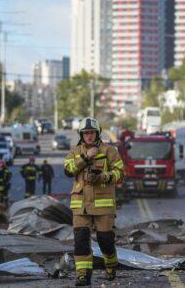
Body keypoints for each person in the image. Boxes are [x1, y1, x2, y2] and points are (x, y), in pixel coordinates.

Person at [64, 117, 124, 286]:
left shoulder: (109, 151)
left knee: (105, 241)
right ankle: (83, 276)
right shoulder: (74, 152)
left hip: (103, 206)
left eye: (92, 133)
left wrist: (102, 176)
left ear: (97, 134)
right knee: (81, 241)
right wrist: (84, 157)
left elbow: (120, 174)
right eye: (85, 133)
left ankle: (111, 265)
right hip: (80, 206)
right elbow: (68, 170)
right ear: (81, 135)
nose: (89, 136)